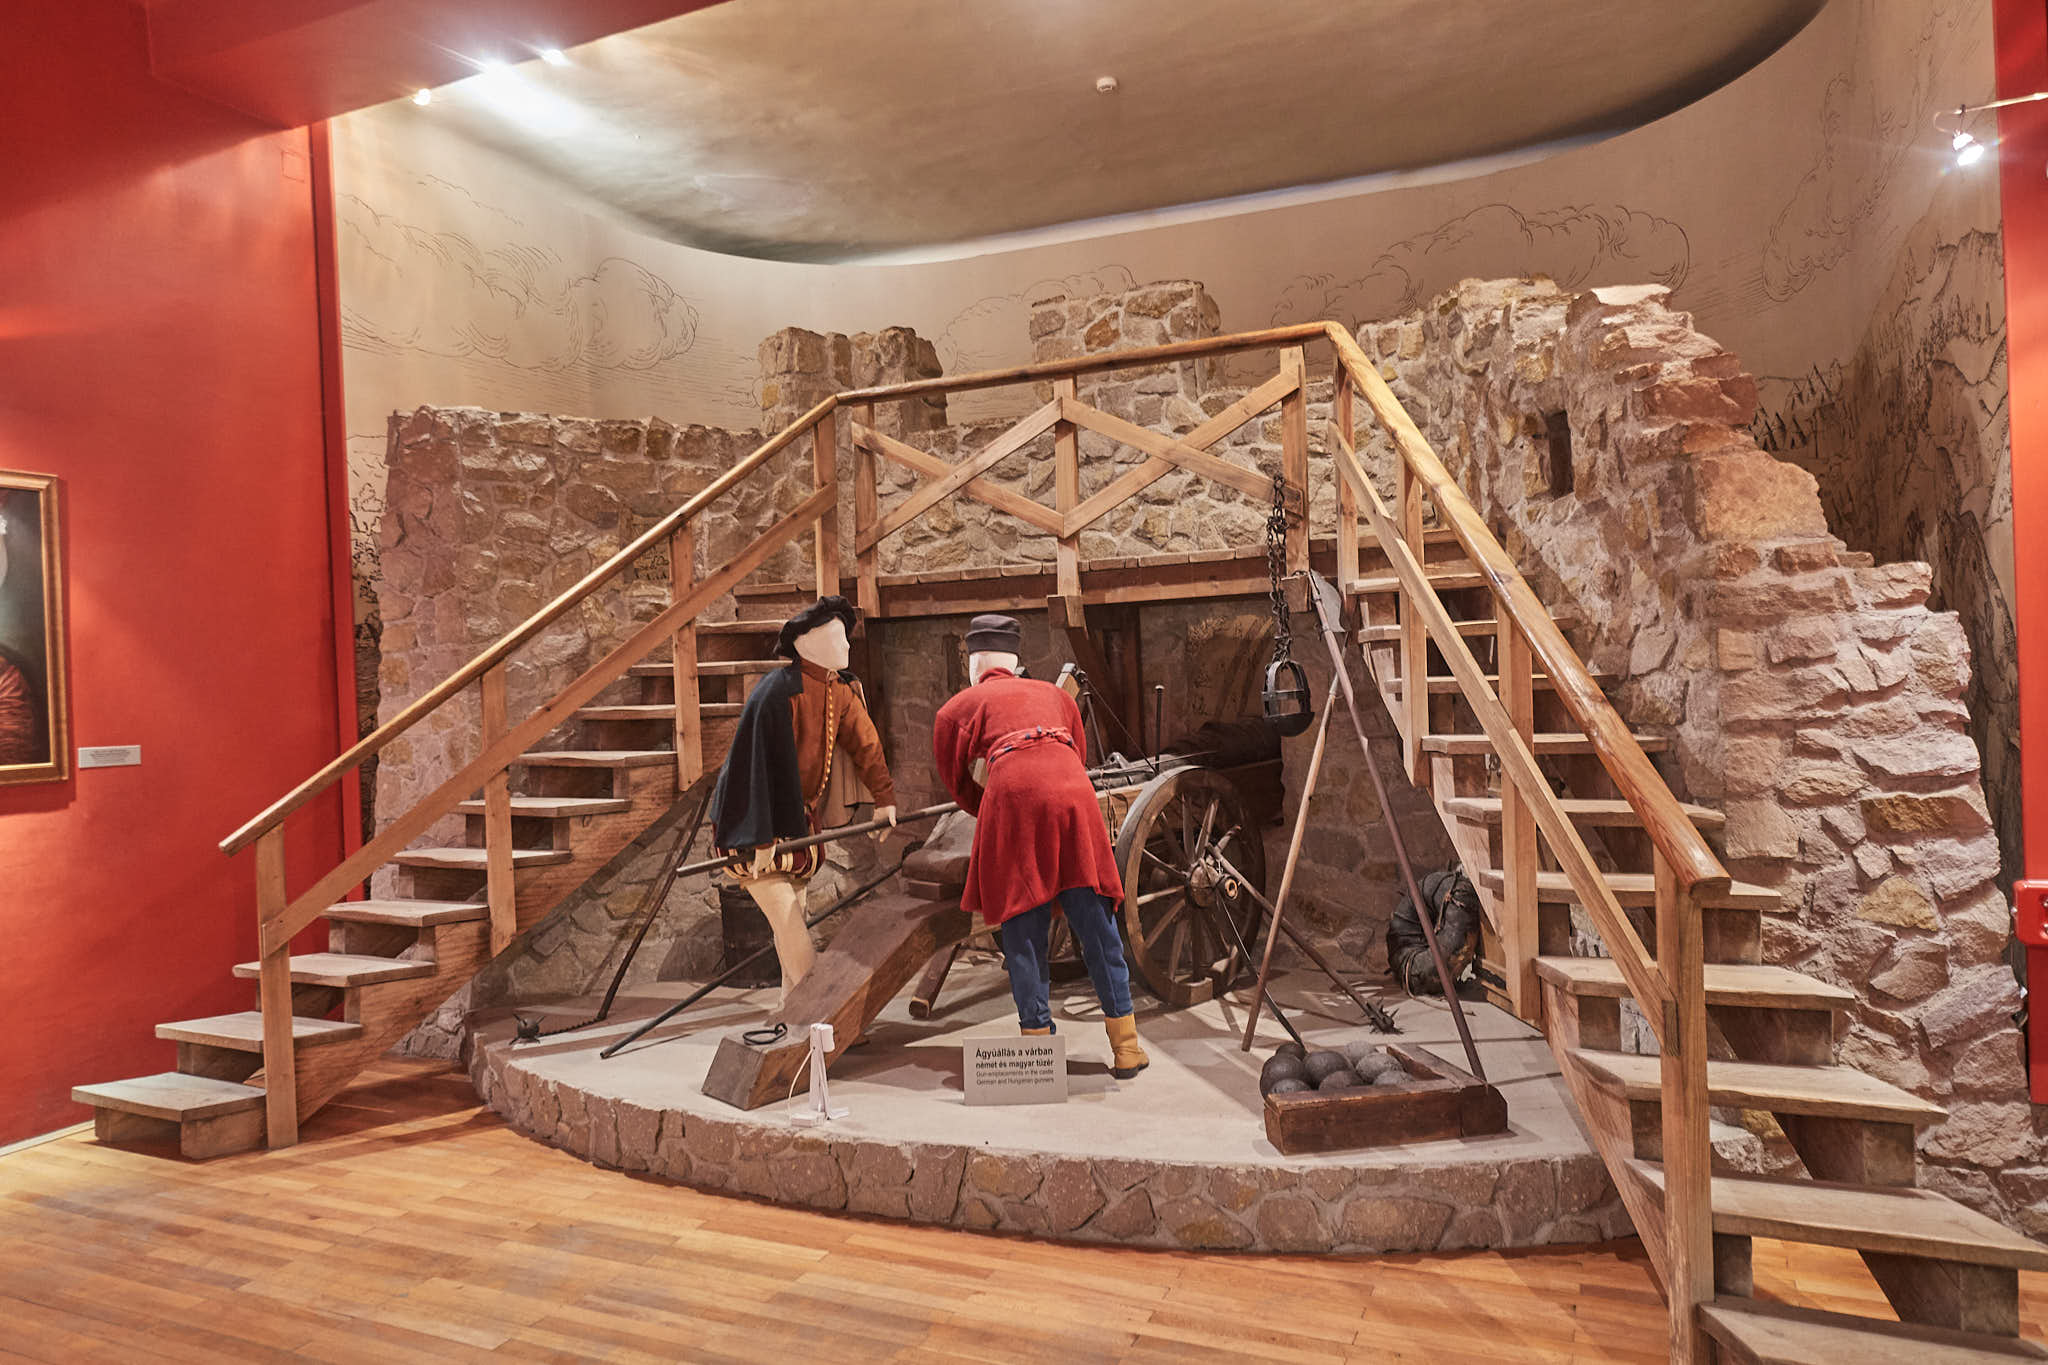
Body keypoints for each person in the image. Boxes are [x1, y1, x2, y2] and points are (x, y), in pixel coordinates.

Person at [931, 614, 1148, 1078]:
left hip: (1014, 800)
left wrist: (989, 807)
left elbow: (955, 780)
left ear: (974, 664)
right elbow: (1079, 755)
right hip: (1073, 798)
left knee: (1022, 928)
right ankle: (1127, 1048)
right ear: (1015, 662)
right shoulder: (1055, 696)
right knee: (1096, 923)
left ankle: (1037, 1053)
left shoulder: (956, 709)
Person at [708, 596, 897, 1005]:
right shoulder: (776, 692)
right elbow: (753, 765)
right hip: (753, 824)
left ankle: (788, 1011)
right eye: (836, 638)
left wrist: (884, 799)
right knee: (792, 927)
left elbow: (865, 743)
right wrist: (759, 837)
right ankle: (821, 1013)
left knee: (790, 925)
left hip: (797, 825)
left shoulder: (839, 689)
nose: (846, 646)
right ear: (808, 644)